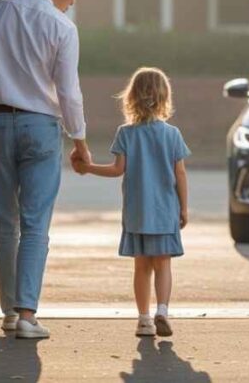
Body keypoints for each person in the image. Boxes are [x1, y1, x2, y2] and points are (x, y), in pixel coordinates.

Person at [0, 0, 91, 339]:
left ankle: (8, 312)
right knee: (35, 224)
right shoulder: (62, 26)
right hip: (41, 127)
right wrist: (80, 139)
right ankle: (26, 315)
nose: (72, 3)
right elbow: (68, 91)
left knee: (5, 223)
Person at [73, 67, 190, 337]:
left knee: (141, 267)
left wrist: (88, 168)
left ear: (132, 97)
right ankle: (162, 310)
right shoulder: (172, 134)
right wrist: (183, 208)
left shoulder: (125, 133)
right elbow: (180, 174)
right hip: (165, 212)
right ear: (164, 97)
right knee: (163, 264)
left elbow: (117, 170)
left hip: (137, 213)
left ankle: (144, 319)